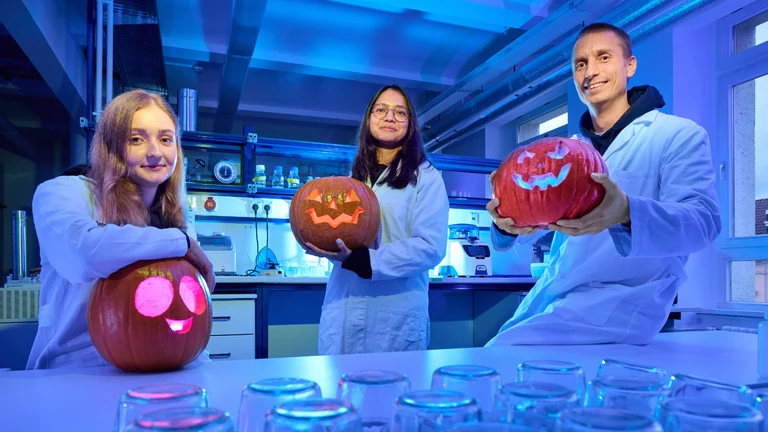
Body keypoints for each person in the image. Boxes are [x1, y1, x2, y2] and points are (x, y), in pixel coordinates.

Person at [485, 23, 721, 346]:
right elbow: (512, 236)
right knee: (495, 357)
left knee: (498, 359)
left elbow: (704, 222)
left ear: (630, 65)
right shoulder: (566, 149)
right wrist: (506, 223)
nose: (590, 72)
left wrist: (625, 211)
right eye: (580, 64)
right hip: (555, 298)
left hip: (619, 306)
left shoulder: (678, 135)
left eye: (603, 57)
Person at [27, 89, 216, 369]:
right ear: (111, 146)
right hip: (77, 370)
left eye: (166, 139)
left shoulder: (176, 220)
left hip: (170, 364)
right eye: (136, 139)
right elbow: (83, 254)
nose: (155, 153)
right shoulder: (61, 192)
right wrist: (182, 242)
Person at [305, 84, 449, 355]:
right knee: (342, 391)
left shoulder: (427, 177)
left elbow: (430, 246)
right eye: (381, 109)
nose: (389, 117)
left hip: (395, 312)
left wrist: (363, 260)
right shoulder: (353, 178)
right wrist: (321, 240)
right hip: (344, 307)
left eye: (400, 112)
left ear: (411, 124)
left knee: (391, 391)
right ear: (369, 118)